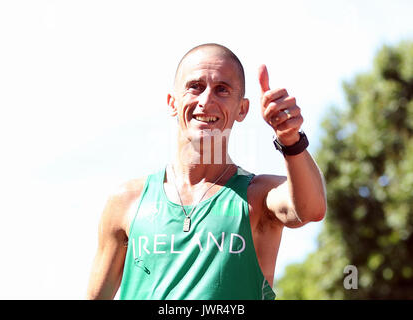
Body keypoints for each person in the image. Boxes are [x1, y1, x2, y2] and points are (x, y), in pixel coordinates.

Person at [86, 43, 327, 300]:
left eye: (222, 90)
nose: (206, 100)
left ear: (242, 109)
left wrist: (291, 140)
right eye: (195, 87)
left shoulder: (258, 196)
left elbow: (311, 209)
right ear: (172, 103)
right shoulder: (127, 201)